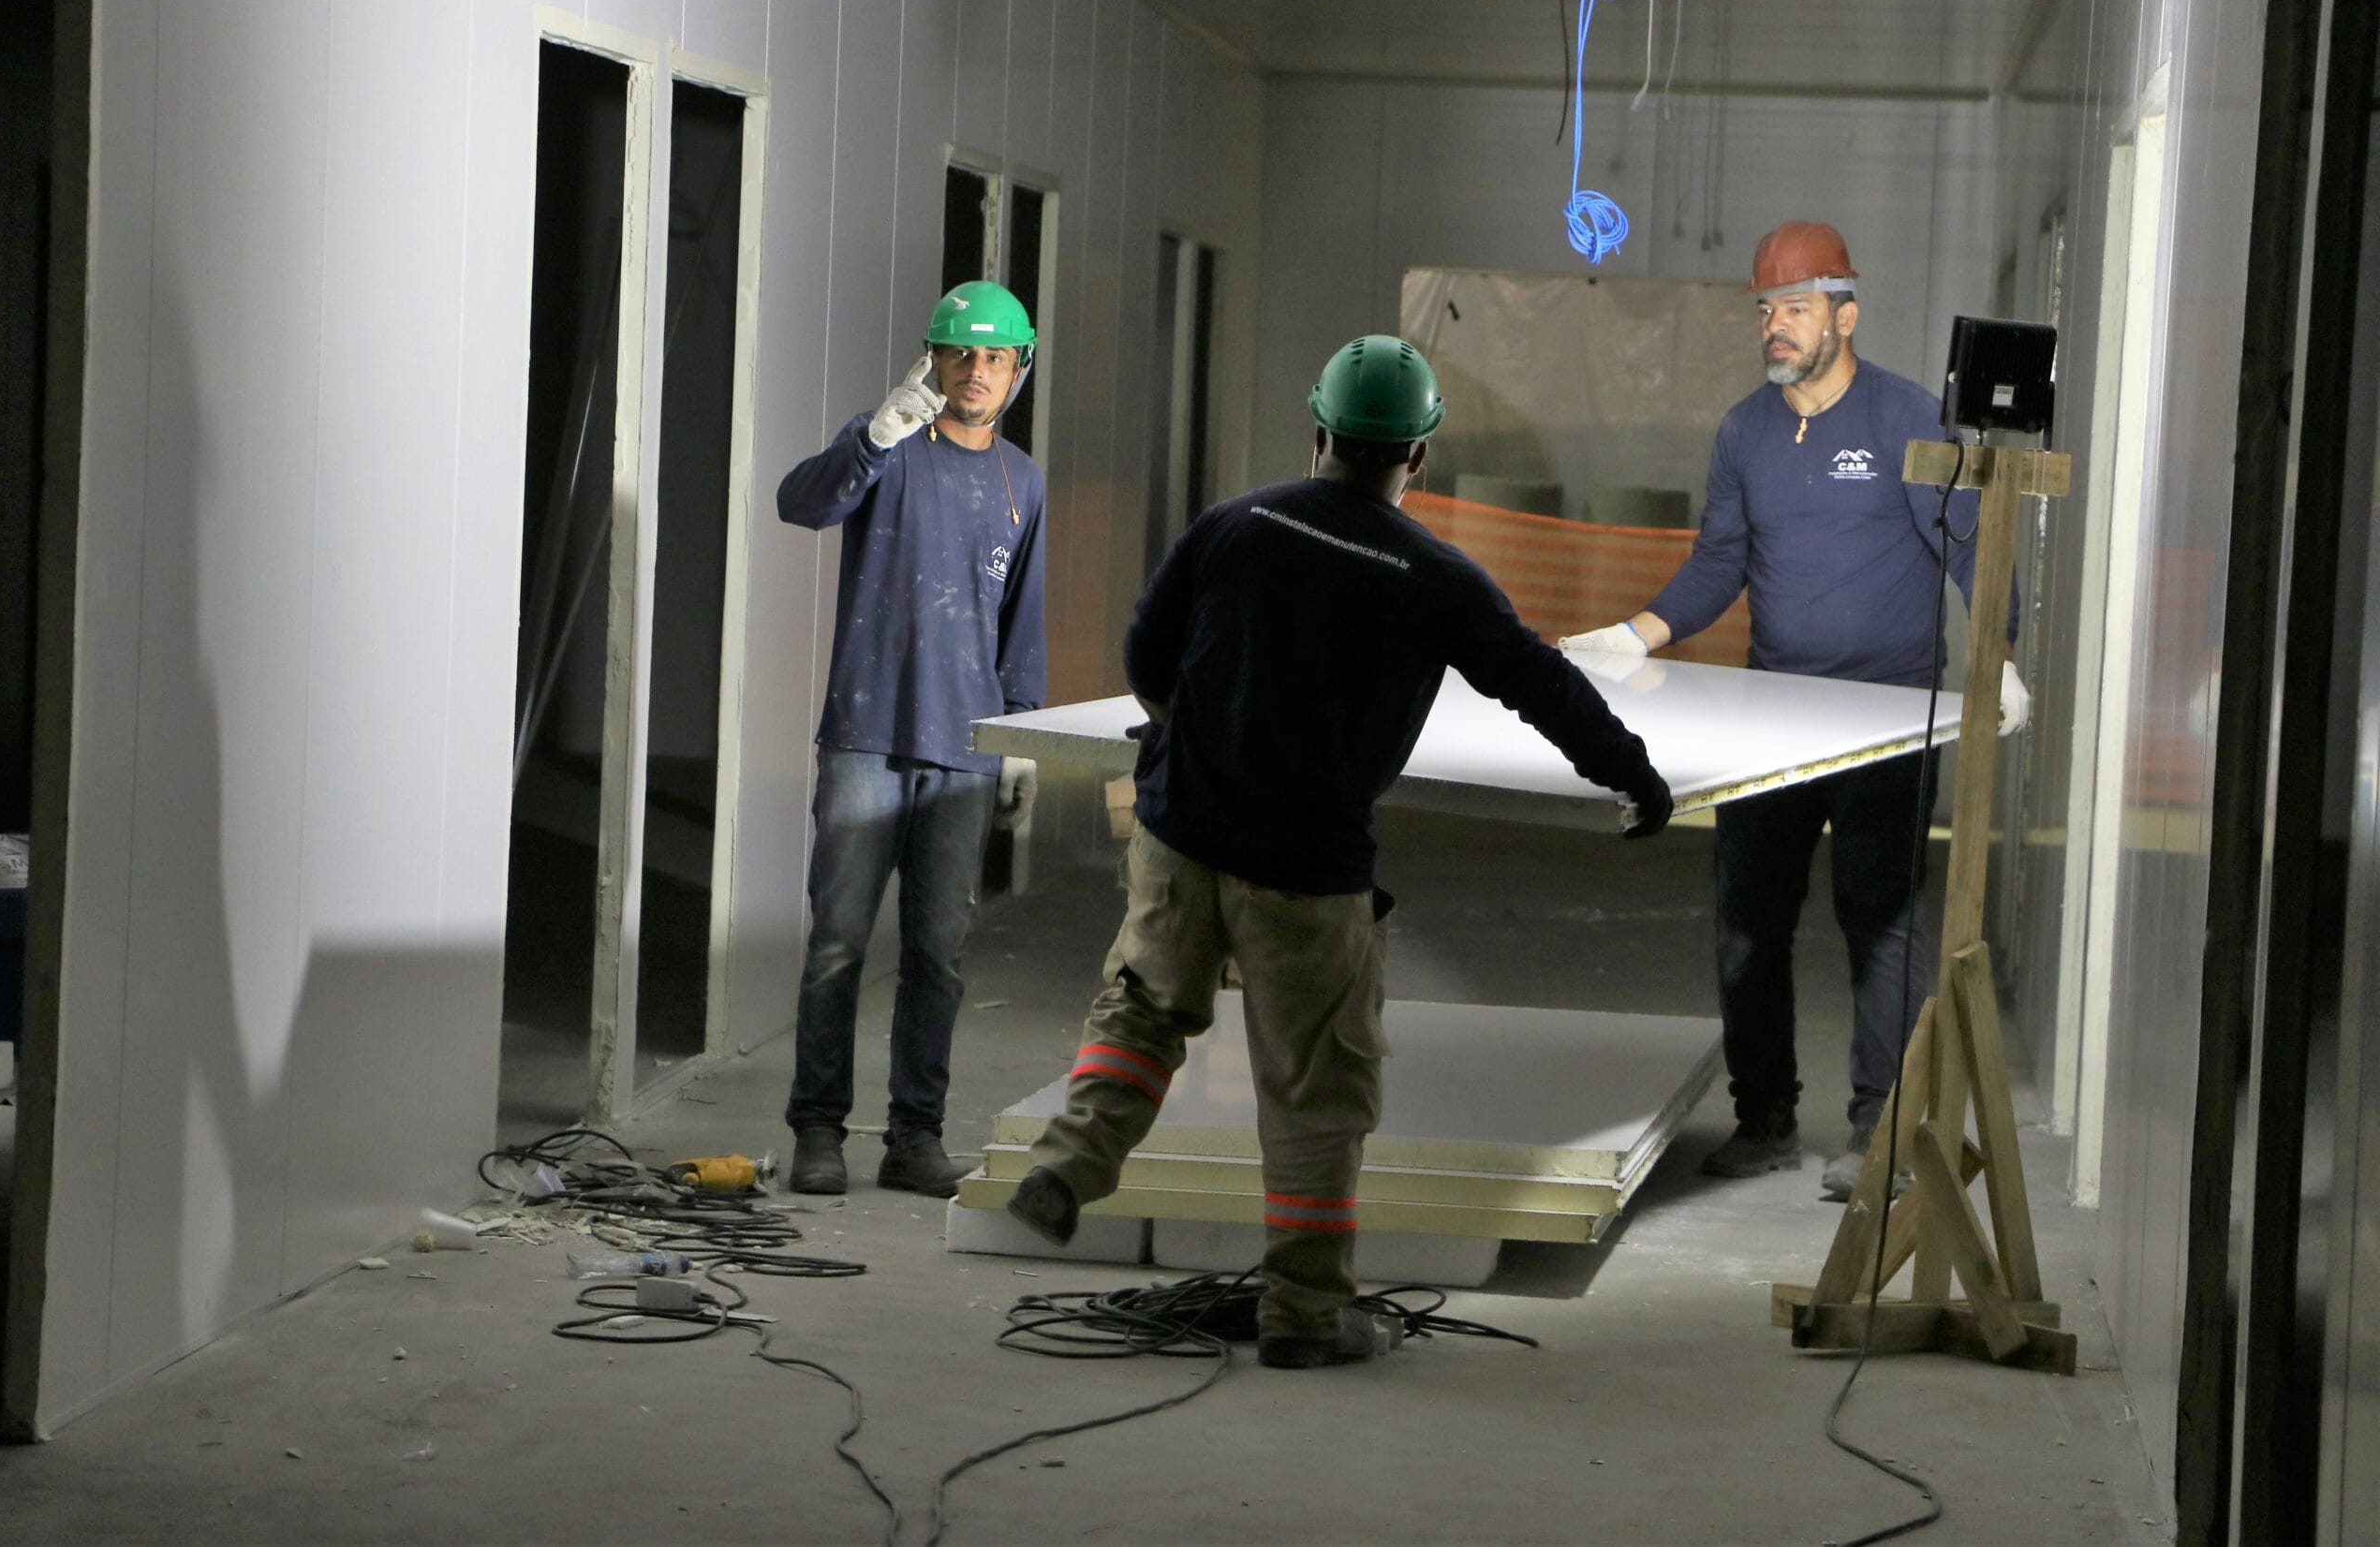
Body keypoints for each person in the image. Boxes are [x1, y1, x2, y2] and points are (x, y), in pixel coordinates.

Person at [1001, 335, 1672, 1368]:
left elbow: (1147, 650)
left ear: (1316, 434)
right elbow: (1538, 682)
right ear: (1420, 456)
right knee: (1316, 1089)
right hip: (1306, 871)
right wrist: (1631, 770)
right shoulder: (1438, 576)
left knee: (1142, 1007)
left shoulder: (1237, 523)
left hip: (1180, 836)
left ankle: (1070, 1165)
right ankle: (1303, 1320)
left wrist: (1187, 731)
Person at [1560, 220, 2029, 1201]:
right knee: (1746, 921)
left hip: (1886, 721)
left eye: (1796, 308)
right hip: (1767, 721)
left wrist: (1999, 658)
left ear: (1844, 315)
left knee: (1881, 923)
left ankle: (1877, 1131)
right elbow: (1719, 563)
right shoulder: (1745, 432)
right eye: (1766, 309)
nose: (1775, 327)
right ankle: (1763, 1117)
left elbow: (1973, 551)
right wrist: (1634, 634)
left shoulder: (1912, 419)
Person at [773, 281, 1046, 1200]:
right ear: (930, 361)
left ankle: (913, 1140)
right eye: (960, 354)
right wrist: (867, 438)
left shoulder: (1023, 481)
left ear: (1019, 371)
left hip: (964, 752)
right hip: (866, 735)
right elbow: (800, 505)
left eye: (995, 358)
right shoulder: (887, 448)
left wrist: (1024, 742)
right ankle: (818, 1133)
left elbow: (1023, 624)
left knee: (937, 957)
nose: (976, 373)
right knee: (839, 944)